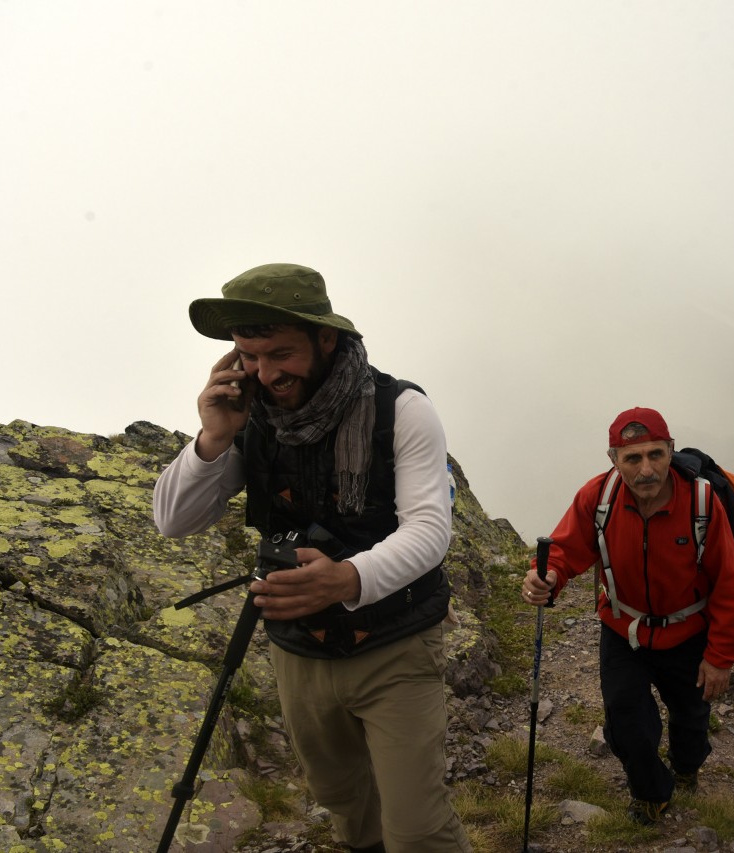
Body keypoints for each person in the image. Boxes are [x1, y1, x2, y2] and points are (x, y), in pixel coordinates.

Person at [153, 263, 471, 853]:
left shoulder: (401, 410)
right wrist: (214, 438)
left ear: (327, 338)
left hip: (395, 645)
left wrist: (347, 578)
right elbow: (174, 520)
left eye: (281, 353)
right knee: (347, 807)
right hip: (297, 651)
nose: (266, 373)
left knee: (418, 828)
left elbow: (429, 530)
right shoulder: (252, 420)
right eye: (248, 355)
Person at [521, 407, 734, 825]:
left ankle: (686, 767)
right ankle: (650, 792)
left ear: (670, 450)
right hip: (624, 631)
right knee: (625, 722)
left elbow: (727, 581)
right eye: (633, 458)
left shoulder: (701, 502)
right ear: (614, 460)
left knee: (691, 722)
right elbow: (567, 549)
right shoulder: (598, 497)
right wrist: (547, 575)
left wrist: (721, 655)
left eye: (656, 455)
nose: (647, 469)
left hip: (688, 633)